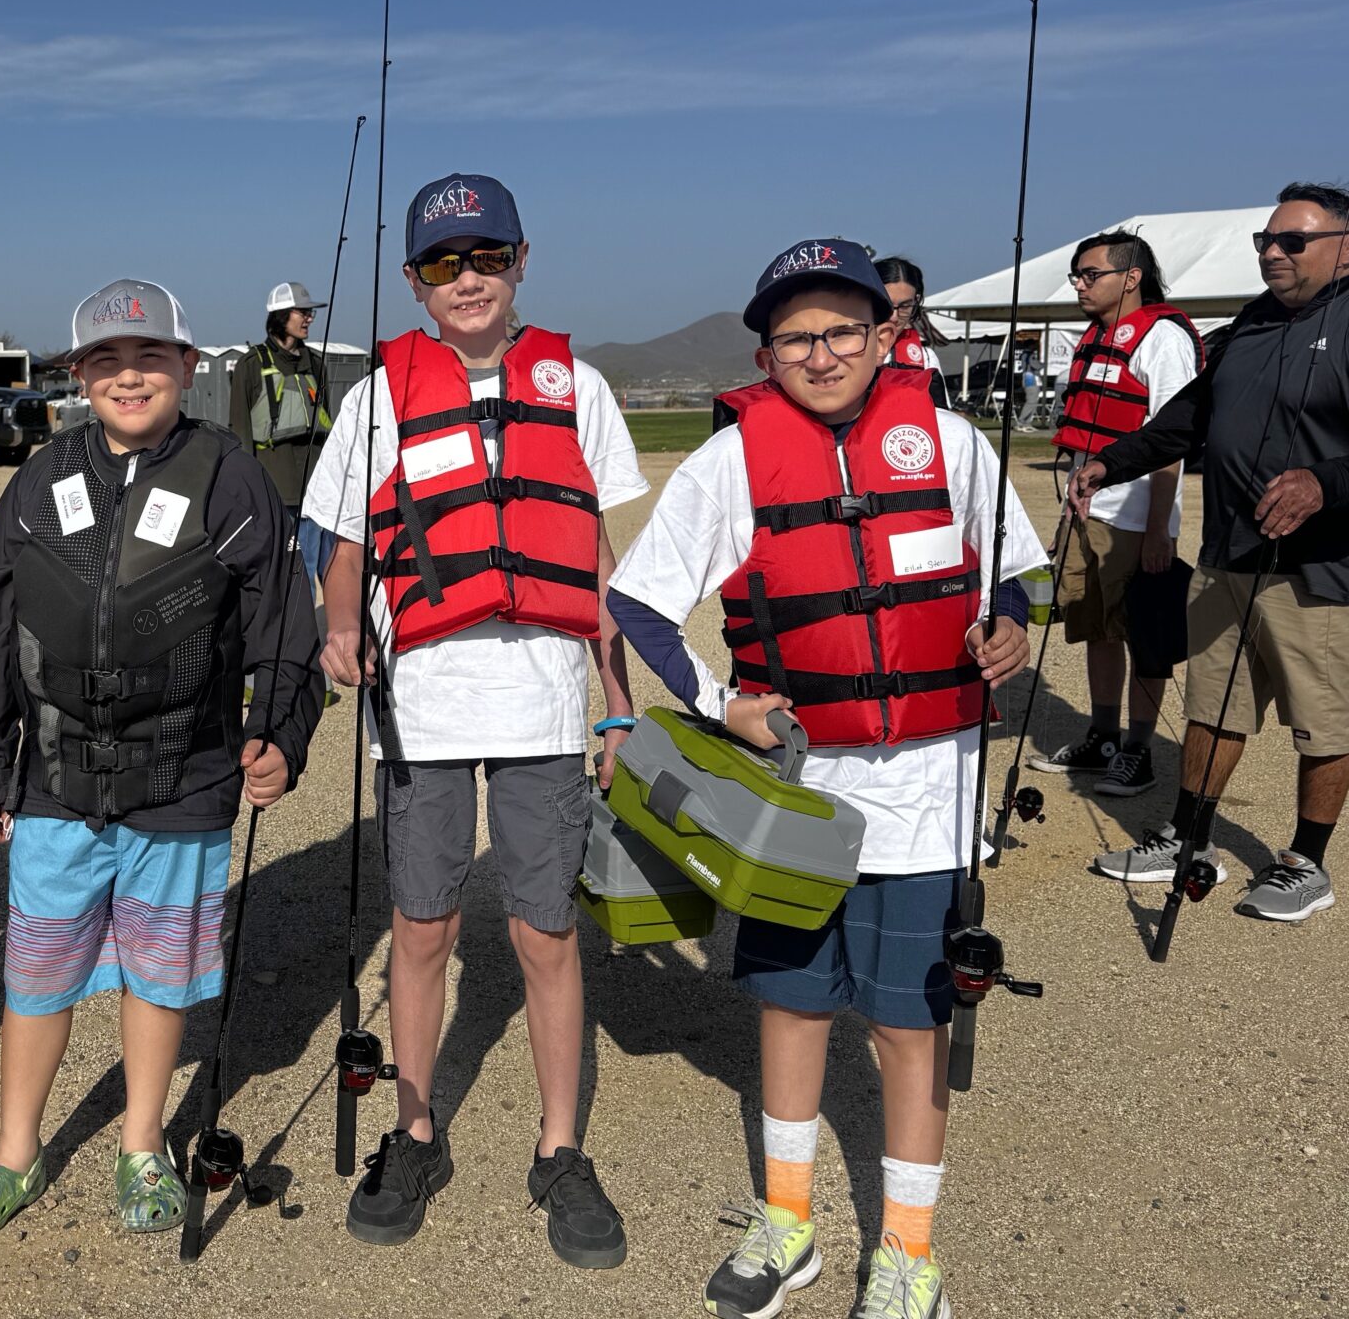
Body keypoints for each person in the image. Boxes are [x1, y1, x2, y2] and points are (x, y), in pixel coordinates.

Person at [608, 239, 1042, 1319]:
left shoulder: (948, 442)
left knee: (908, 1025)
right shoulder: (730, 460)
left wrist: (1010, 631)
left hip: (927, 792)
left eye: (841, 329)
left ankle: (906, 1251)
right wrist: (719, 704)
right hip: (793, 800)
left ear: (884, 334)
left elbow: (1015, 575)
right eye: (795, 336)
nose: (820, 352)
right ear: (765, 350)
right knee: (792, 1010)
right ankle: (790, 1222)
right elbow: (637, 603)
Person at [303, 173, 650, 1269]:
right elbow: (347, 540)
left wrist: (618, 703)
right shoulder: (377, 396)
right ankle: (414, 1134)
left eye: (486, 257)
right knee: (421, 928)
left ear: (519, 261)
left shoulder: (577, 386)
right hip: (425, 707)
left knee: (543, 931)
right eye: (443, 263)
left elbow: (594, 558)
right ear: (412, 280)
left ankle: (559, 1149)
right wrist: (339, 626)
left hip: (546, 700)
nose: (467, 280)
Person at [0, 280, 322, 1246]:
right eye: (105, 362)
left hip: (185, 779)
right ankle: (14, 1152)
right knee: (37, 971)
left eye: (150, 358)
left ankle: (143, 1143)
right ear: (78, 377)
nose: (129, 377)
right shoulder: (38, 480)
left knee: (158, 973)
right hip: (57, 782)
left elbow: (283, 629)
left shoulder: (230, 475)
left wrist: (280, 733)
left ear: (189, 368)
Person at [1074, 183, 1349, 921]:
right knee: (1212, 708)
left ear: (1344, 248)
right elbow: (1187, 417)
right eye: (1267, 240)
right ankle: (1188, 840)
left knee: (1324, 722)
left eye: (1294, 241)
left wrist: (1325, 484)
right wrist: (1114, 460)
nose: (1274, 253)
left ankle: (1305, 862)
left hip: (1319, 572)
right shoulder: (1250, 324)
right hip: (1231, 556)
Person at [1030, 232, 1201, 798]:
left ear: (1131, 277)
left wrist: (1159, 530)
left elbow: (1172, 439)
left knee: (1142, 634)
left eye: (1090, 274)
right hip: (1087, 512)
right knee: (1096, 629)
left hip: (1134, 521)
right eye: (1077, 274)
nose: (1079, 284)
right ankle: (1102, 736)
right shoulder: (1096, 336)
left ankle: (1139, 750)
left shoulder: (1163, 340)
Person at [229, 280, 336, 584]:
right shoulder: (250, 365)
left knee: (320, 563)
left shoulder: (316, 363)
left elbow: (326, 422)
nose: (309, 318)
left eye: (310, 313)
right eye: (302, 312)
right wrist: (248, 489)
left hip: (316, 482)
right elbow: (241, 429)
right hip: (274, 484)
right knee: (285, 566)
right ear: (281, 316)